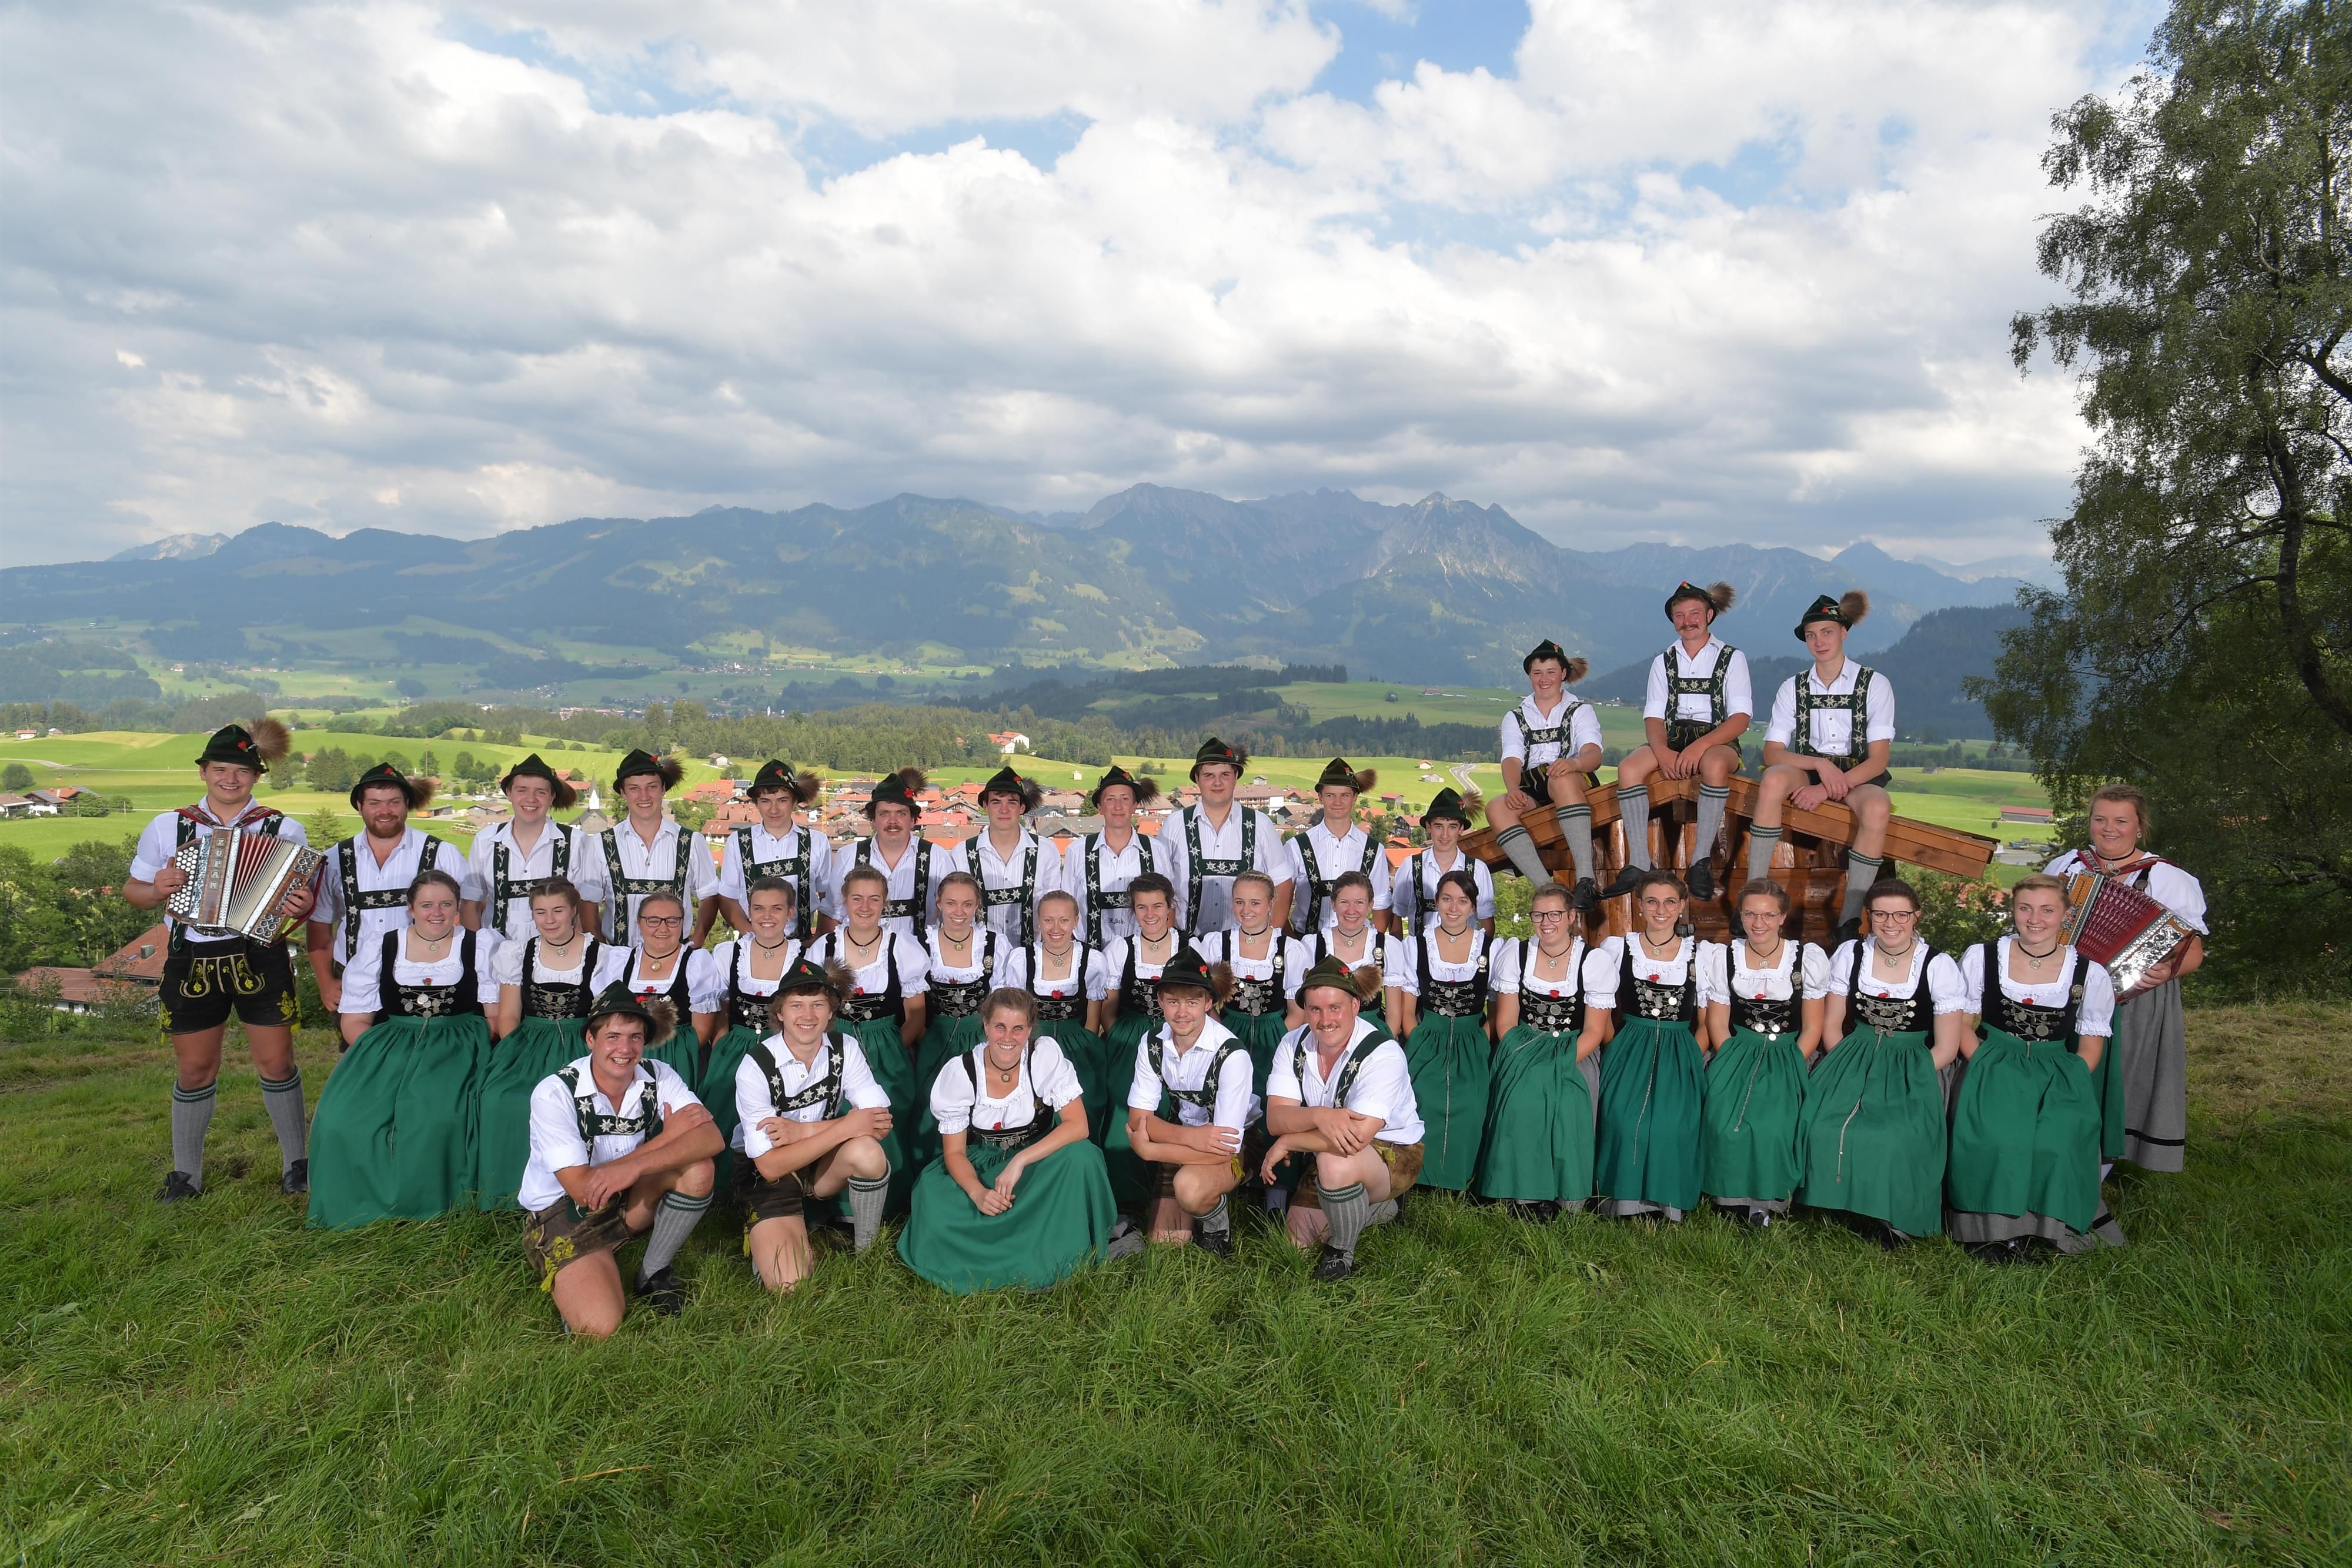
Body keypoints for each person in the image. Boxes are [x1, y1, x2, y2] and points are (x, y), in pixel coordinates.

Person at [124, 720, 317, 1201]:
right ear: (204, 772)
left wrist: (303, 906)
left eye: (241, 771)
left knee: (276, 1062)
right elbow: (135, 892)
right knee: (194, 1070)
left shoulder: (282, 827)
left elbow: (301, 899)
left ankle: (298, 1164)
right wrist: (157, 890)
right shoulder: (168, 826)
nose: (230, 779)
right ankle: (186, 1175)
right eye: (220, 769)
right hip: (190, 956)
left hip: (260, 953)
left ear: (257, 777)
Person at [519, 985, 721, 1335]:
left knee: (699, 1168)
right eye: (613, 1036)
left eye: (635, 1037)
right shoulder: (555, 1093)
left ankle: (653, 1272)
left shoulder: (658, 1074)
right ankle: (587, 1268)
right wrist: (669, 1137)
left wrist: (635, 1166)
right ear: (590, 1040)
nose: (625, 1049)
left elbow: (711, 1138)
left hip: (623, 1198)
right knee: (600, 1326)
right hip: (565, 1212)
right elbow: (584, 1191)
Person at [898, 988, 1124, 1293]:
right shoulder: (961, 1071)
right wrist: (978, 1193)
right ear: (986, 1026)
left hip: (1036, 1162)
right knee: (932, 1193)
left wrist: (1020, 1160)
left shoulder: (1043, 1056)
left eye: (1018, 1029)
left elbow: (1078, 1127)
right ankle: (1018, 1250)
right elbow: (954, 1154)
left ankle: (1054, 1250)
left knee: (1083, 1157)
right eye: (1000, 1027)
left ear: (1030, 1030)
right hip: (981, 1162)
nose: (1008, 1037)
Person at [310, 870, 500, 1226]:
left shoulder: (481, 945)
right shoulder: (381, 946)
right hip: (391, 1043)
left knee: (434, 1116)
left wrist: (459, 1050)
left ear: (458, 907)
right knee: (341, 1119)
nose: (437, 912)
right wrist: (380, 1055)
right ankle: (360, 1200)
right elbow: (354, 1021)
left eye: (446, 904)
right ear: (411, 908)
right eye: (427, 905)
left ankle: (425, 1202)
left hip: (457, 1045)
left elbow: (493, 1018)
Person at [1948, 875, 2122, 1261]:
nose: (2035, 918)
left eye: (2047, 909)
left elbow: (2092, 1043)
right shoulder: (1983, 956)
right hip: (1991, 1060)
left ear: (2066, 915)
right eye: (2025, 908)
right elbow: (1960, 1024)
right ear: (2014, 910)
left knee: (2054, 1140)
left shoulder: (2089, 974)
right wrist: (1989, 1065)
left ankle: (2047, 1233)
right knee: (1997, 1137)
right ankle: (1990, 1234)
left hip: (2057, 1069)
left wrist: (2068, 1081)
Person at [1795, 878, 1969, 1247]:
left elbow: (1948, 1047)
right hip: (1853, 1053)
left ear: (1916, 916)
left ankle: (1894, 1219)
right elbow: (1831, 1024)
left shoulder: (1938, 965)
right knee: (1821, 1124)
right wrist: (1845, 1064)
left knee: (1896, 1135)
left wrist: (1908, 1075)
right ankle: (1839, 1205)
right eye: (1881, 914)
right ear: (1868, 917)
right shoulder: (1850, 954)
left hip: (1915, 1063)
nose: (1891, 923)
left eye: (1901, 915)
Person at [2044, 783, 2207, 1174]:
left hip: (2132, 999)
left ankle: (2094, 1178)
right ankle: (2057, 1163)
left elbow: (2194, 952)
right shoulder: (2069, 866)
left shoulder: (2167, 878)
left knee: (2118, 1085)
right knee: (2064, 1078)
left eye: (2120, 821)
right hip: (2067, 991)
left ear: (2139, 826)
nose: (2109, 828)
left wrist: (2167, 969)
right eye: (2100, 819)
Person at [734, 956, 897, 1290]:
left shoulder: (845, 1047)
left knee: (868, 1153)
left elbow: (879, 1122)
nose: (807, 1016)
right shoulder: (756, 1066)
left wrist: (802, 1130)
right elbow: (769, 1165)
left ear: (830, 1012)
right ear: (780, 1013)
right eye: (797, 1006)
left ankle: (867, 1252)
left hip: (819, 1163)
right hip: (769, 1175)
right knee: (790, 1285)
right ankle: (772, 1231)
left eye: (818, 1005)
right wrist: (847, 1125)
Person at [1260, 957, 1425, 1281]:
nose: (1325, 1020)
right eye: (1315, 1010)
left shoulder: (1382, 1052)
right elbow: (1276, 1119)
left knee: (1335, 1165)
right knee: (1297, 1245)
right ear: (1305, 1010)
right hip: (1325, 1147)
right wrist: (1321, 1115)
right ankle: (1376, 1211)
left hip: (1392, 1151)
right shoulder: (1291, 1044)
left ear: (1354, 1005)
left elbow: (1358, 1137)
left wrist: (1291, 1139)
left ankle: (1341, 1253)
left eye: (1334, 1008)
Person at [1749, 593, 1896, 941]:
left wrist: (1827, 786)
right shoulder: (1793, 687)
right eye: (1812, 635)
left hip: (1859, 775)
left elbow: (1878, 759)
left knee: (1877, 806)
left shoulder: (1874, 684)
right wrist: (1818, 764)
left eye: (1827, 632)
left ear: (1844, 632)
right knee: (1772, 780)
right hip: (1807, 767)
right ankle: (1754, 894)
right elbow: (1772, 753)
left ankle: (1848, 919)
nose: (1819, 642)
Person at [1579, 871, 1719, 1222]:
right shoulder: (1618, 949)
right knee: (1624, 1120)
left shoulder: (1700, 955)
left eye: (1671, 902)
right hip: (1630, 1045)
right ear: (1640, 906)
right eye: (1653, 901)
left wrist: (1689, 1053)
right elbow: (1604, 1008)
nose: (1662, 909)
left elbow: (1706, 1021)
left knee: (1673, 1123)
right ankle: (1624, 1203)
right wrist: (1617, 1049)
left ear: (1682, 906)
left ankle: (1665, 1204)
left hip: (1680, 1048)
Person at [1609, 582, 1752, 902]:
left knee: (1715, 764)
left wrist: (1698, 747)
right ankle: (1638, 863)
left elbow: (1740, 719)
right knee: (1629, 768)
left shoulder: (1732, 658)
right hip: (1672, 739)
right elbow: (1655, 718)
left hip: (1718, 740)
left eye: (1694, 614)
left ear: (1710, 615)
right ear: (1673, 620)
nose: (1688, 621)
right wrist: (1662, 752)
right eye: (1680, 615)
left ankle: (1700, 860)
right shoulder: (1663, 661)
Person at [1696, 880, 1827, 1226]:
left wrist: (1791, 1061)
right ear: (1741, 915)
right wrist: (1732, 1061)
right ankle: (1730, 1197)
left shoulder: (1806, 959)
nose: (1759, 923)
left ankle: (1766, 1203)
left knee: (1774, 1124)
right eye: (1751, 914)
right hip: (1738, 1050)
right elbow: (1718, 1022)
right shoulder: (1724, 957)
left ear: (1783, 918)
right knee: (1723, 1119)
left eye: (1768, 915)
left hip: (1789, 1051)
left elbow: (1813, 1027)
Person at [808, 864, 931, 1211]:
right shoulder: (824, 947)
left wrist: (892, 1049)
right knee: (835, 1116)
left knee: (885, 1117)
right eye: (857, 899)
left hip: (887, 1043)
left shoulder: (902, 946)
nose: (865, 907)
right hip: (835, 1043)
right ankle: (834, 1205)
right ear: (844, 901)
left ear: (885, 903)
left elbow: (917, 1014)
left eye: (874, 899)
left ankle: (888, 1205)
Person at [476, 878, 603, 1209]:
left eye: (558, 910)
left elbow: (604, 1018)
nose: (549, 920)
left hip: (582, 1046)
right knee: (501, 1098)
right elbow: (508, 1016)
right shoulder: (518, 953)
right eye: (540, 912)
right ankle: (506, 1193)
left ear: (575, 911)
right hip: (530, 1043)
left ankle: (574, 1194)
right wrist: (516, 1054)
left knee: (578, 1107)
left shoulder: (603, 955)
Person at [1474, 883, 1596, 1219]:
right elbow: (1507, 1022)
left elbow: (1595, 1031)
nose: (1546, 922)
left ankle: (1563, 1195)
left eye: (1555, 913)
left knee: (1569, 1103)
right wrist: (1526, 1059)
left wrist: (1557, 1063)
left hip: (1574, 1047)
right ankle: (1524, 1194)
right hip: (1523, 1045)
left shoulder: (1592, 960)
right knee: (1521, 1100)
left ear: (1571, 916)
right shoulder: (1517, 954)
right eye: (1539, 914)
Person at [1124, 947, 1255, 1255]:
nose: (1182, 1012)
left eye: (1193, 1002)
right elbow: (1136, 1118)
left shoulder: (1232, 1055)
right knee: (1166, 1245)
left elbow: (1224, 1149)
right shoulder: (1152, 1042)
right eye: (1173, 1002)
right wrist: (1191, 1136)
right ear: (1160, 1002)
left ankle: (1216, 1226)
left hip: (1238, 1145)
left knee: (1190, 1189)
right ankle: (1196, 1202)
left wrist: (1151, 1149)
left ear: (1209, 1003)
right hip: (1187, 1136)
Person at [306, 762, 449, 1013]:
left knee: (421, 1050)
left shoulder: (441, 854)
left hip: (425, 977)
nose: (385, 811)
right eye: (374, 803)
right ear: (360, 807)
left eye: (394, 802)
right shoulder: (334, 860)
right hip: (353, 976)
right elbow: (320, 924)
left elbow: (462, 921)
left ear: (407, 804)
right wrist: (326, 982)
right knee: (357, 1050)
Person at [1386, 870, 1495, 1193]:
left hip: (1472, 1038)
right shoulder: (1416, 946)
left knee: (1471, 1107)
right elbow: (1407, 1011)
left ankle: (1459, 1182)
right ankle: (1419, 1180)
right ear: (1436, 903)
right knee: (1423, 1102)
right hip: (1427, 1036)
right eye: (1447, 899)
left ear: (1473, 907)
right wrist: (1418, 1038)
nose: (1454, 907)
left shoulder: (1491, 947)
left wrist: (1480, 1040)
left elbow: (1499, 1008)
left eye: (1463, 901)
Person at [1486, 640, 1606, 912]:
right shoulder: (1515, 717)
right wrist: (1513, 788)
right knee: (1497, 807)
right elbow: (1512, 757)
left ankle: (1585, 879)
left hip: (1573, 780)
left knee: (1560, 779)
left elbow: (1593, 755)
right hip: (1534, 786)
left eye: (1551, 672)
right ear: (1530, 676)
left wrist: (1574, 764)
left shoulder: (1580, 710)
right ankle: (1546, 888)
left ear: (1563, 674)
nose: (1544, 679)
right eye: (1538, 673)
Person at [993, 890, 1114, 1143]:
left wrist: (1084, 1054)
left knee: (1085, 1105)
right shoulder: (1021, 959)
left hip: (1079, 1045)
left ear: (1076, 921)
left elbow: (1092, 1022)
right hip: (1033, 1043)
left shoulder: (1092, 960)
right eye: (1048, 920)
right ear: (1038, 921)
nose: (1056, 928)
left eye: (1064, 920)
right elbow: (1016, 1014)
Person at [700, 876, 806, 1159]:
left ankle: (773, 1185)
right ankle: (723, 1189)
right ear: (749, 910)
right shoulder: (729, 953)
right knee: (722, 1110)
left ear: (790, 912)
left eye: (776, 909)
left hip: (786, 1049)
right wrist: (723, 1039)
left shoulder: (805, 957)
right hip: (736, 1046)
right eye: (759, 908)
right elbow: (720, 1005)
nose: (767, 916)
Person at [575, 750, 718, 950]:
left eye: (652, 787)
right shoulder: (600, 844)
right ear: (623, 793)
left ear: (663, 789)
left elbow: (710, 895)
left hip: (676, 959)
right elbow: (588, 903)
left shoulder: (692, 842)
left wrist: (698, 939)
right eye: (634, 788)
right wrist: (601, 950)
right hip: (619, 957)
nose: (644, 796)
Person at [1098, 872, 1184, 1203]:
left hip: (1178, 1035)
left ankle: (1169, 1194)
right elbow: (1109, 1005)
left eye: (1157, 906)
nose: (1150, 914)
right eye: (1142, 907)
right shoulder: (1122, 948)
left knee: (1173, 1107)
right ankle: (1126, 1196)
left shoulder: (1189, 946)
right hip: (1131, 1036)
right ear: (1134, 911)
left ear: (1169, 907)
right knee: (1126, 1106)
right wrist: (1120, 1035)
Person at [908, 872, 1001, 1169]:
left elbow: (1000, 1003)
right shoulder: (919, 944)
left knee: (982, 1105)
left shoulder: (995, 945)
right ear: (938, 903)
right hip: (935, 1038)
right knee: (930, 1105)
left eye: (967, 904)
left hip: (981, 1040)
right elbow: (915, 1006)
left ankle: (981, 1173)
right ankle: (932, 1175)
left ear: (977, 905)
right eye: (951, 903)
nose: (959, 912)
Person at [589, 890, 723, 1089]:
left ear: (683, 923)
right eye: (653, 920)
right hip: (625, 1056)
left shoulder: (697, 963)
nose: (663, 928)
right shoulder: (620, 961)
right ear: (639, 922)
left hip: (678, 1057)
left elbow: (701, 1032)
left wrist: (673, 1057)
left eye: (672, 920)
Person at [1192, 870, 1307, 1101]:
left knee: (1271, 1098)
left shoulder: (1290, 949)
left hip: (1275, 1035)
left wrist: (1278, 1042)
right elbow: (1204, 1000)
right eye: (1239, 902)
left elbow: (1298, 1011)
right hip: (1225, 1030)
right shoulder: (1217, 944)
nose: (1246, 910)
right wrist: (1221, 1035)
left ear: (1271, 904)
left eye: (1255, 903)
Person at [1170, 737, 1293, 936]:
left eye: (1225, 774)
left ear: (1236, 777)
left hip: (1245, 949)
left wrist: (1272, 939)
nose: (1217, 782)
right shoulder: (1174, 825)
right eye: (1209, 775)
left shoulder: (1260, 824)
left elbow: (1283, 884)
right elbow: (1160, 889)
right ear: (1197, 779)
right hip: (1186, 946)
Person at [461, 754, 586, 941]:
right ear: (509, 794)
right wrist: (477, 954)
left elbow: (583, 908)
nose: (531, 799)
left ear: (552, 797)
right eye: (522, 790)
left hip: (557, 959)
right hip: (496, 958)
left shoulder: (576, 842)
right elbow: (470, 904)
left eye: (541, 792)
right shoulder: (485, 841)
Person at [710, 759, 831, 946]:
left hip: (804, 946)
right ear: (756, 803)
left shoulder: (817, 841)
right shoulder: (739, 843)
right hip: (753, 946)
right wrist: (751, 936)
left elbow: (828, 898)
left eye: (782, 801)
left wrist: (820, 938)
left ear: (794, 802)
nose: (774, 809)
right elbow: (727, 899)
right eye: (766, 801)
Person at [944, 766, 1067, 943]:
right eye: (996, 802)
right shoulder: (961, 854)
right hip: (977, 960)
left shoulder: (1046, 852)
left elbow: (1056, 909)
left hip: (1034, 959)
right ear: (985, 806)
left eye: (1011, 802)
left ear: (1022, 807)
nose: (1004, 810)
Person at [1066, 764, 1180, 949]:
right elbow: (1066, 909)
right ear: (1100, 807)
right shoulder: (1077, 851)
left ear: (1135, 806)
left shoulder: (1156, 850)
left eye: (1125, 799)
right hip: (1090, 958)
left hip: (1144, 957)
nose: (1118, 806)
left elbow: (1170, 906)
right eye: (1110, 799)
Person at [834, 767, 945, 940]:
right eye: (884, 813)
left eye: (901, 813)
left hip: (922, 959)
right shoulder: (848, 856)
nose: (893, 821)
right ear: (873, 820)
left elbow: (953, 914)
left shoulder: (938, 857)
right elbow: (833, 915)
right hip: (861, 959)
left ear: (913, 820)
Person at [1287, 757, 1392, 935]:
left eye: (1345, 795)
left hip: (1358, 949)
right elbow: (1279, 900)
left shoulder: (1373, 850)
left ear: (1355, 798)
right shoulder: (1296, 846)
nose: (1338, 802)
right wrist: (1291, 946)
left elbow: (1382, 904)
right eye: (1330, 795)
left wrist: (1372, 946)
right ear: (1320, 797)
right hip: (1305, 945)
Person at [1299, 871, 1399, 1037]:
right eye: (1344, 902)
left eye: (1359, 903)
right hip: (1326, 1031)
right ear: (1333, 904)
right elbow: (1306, 1009)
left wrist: (1383, 1045)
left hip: (1371, 1033)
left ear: (1370, 905)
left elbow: (1394, 1014)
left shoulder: (1386, 946)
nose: (1351, 911)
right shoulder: (1313, 945)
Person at [1392, 788, 1495, 937]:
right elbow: (1396, 914)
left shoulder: (1478, 870)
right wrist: (1400, 952)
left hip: (1465, 957)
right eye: (1439, 826)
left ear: (1461, 829)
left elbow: (1487, 922)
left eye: (1452, 827)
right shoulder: (1411, 867)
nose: (1445, 835)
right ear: (1429, 827)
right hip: (1420, 957)